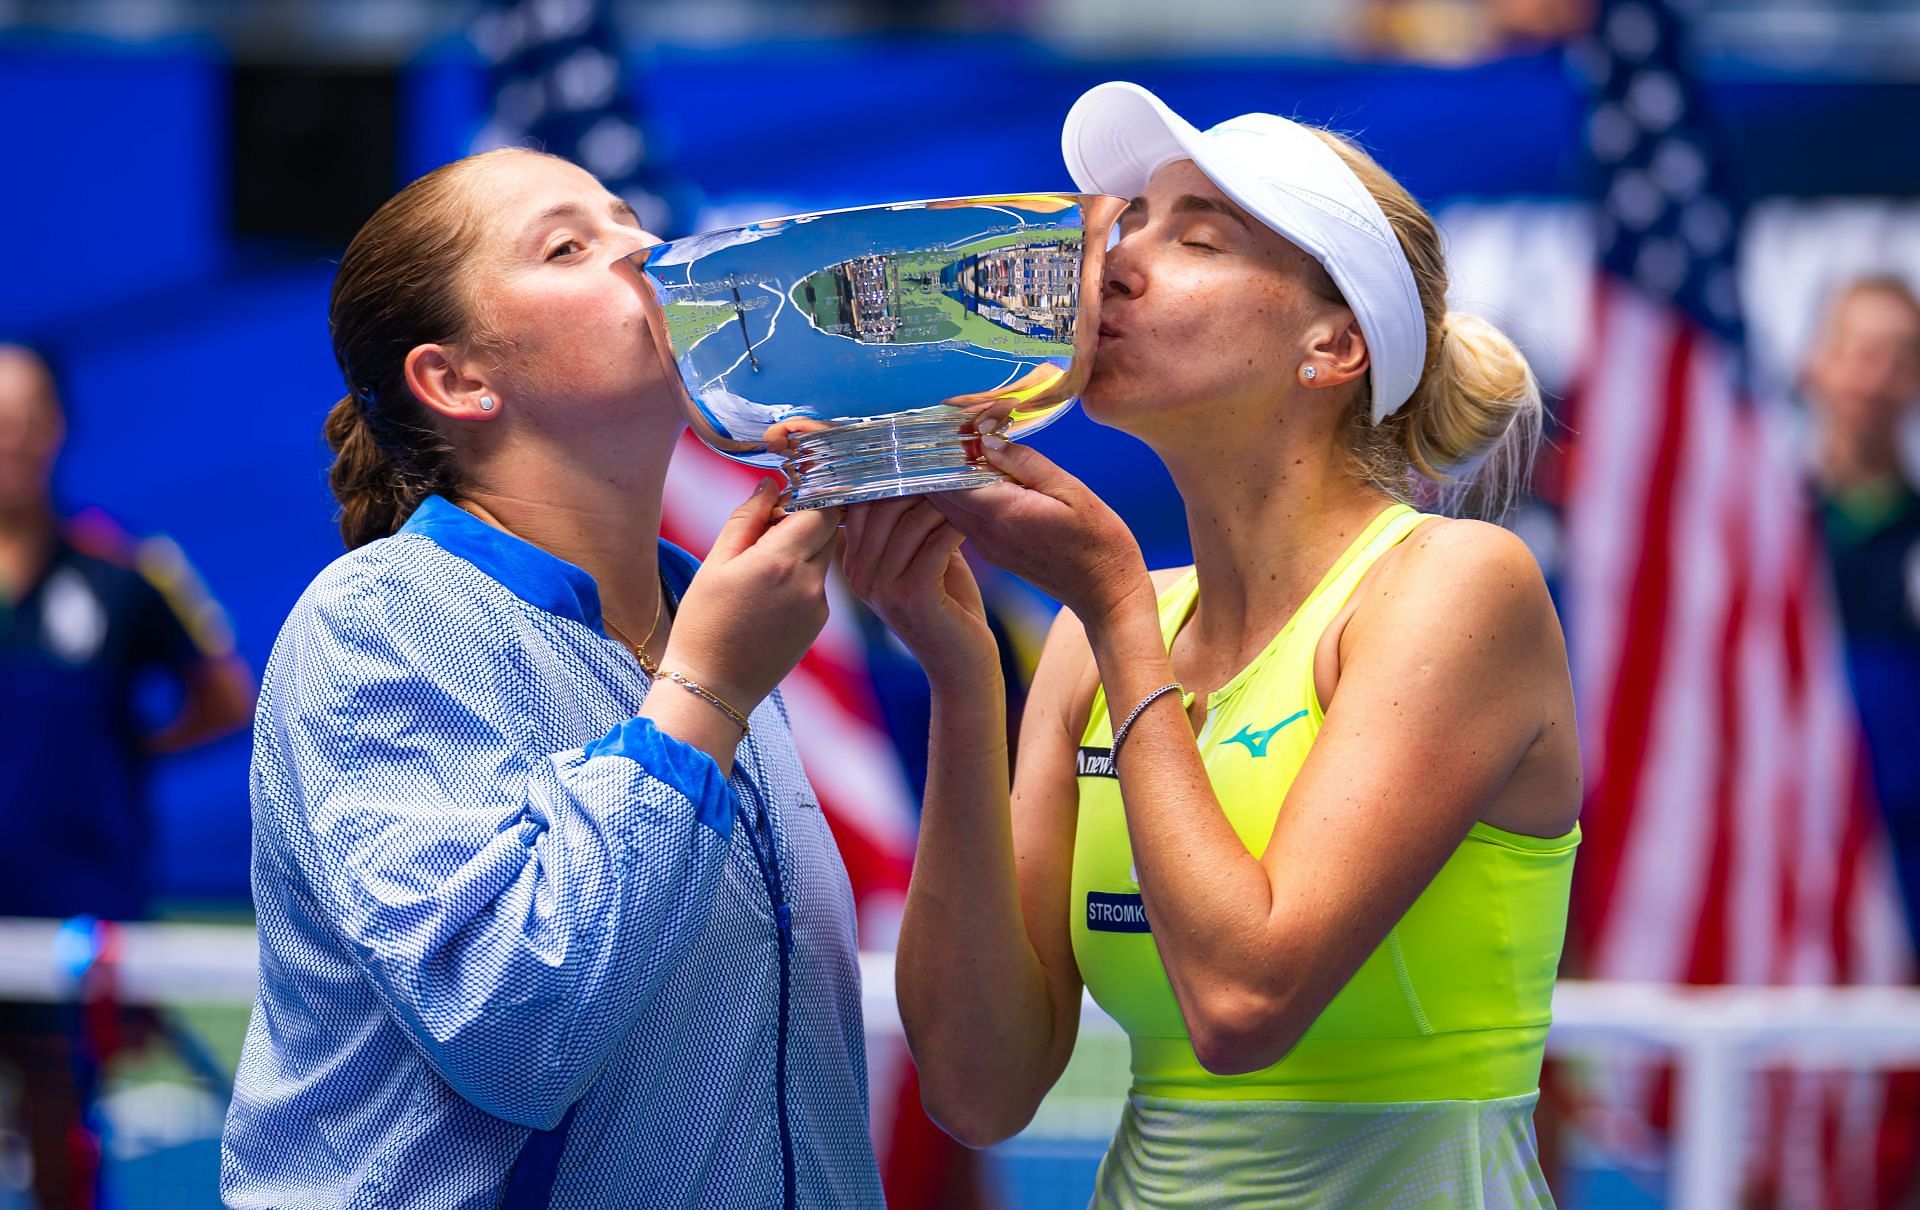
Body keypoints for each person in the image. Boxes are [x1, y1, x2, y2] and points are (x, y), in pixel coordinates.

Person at [839, 83, 1582, 1206]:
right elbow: (979, 1087)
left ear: (1330, 345)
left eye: (1196, 238)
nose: (1118, 263)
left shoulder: (1455, 582)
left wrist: (1119, 612)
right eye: (1129, 223)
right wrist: (961, 671)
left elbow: (1244, 1004)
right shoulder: (1103, 638)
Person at [219, 147, 881, 1208]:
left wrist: (954, 664)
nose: (649, 251)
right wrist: (705, 695)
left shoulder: (704, 631)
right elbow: (515, 1027)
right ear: (457, 379)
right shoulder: (377, 622)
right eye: (570, 246)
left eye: (630, 223)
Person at [0, 341, 254, 1208]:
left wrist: (129, 754)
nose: (11, 438)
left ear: (59, 430)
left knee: (59, 1111)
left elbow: (227, 693)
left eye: (28, 420)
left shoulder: (122, 576)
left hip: (72, 901)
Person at [1802, 275, 1920, 945]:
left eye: (1900, 359)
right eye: (1860, 353)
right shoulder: (1762, 541)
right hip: (1793, 890)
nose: (1876, 379)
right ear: (1815, 364)